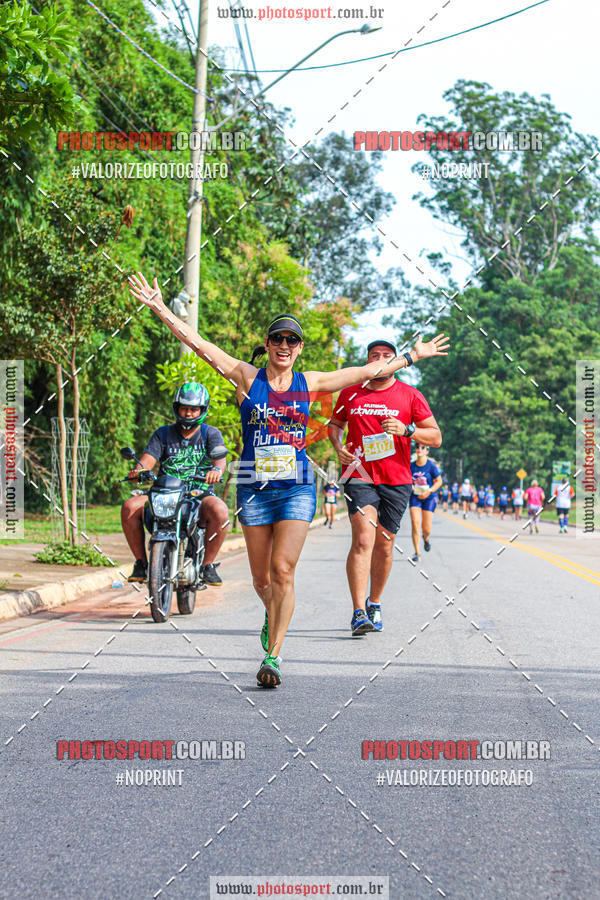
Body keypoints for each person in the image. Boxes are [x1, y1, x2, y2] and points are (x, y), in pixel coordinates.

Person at [130, 272, 449, 686]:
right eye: (277, 339)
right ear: (268, 345)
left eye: (292, 341)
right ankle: (273, 612)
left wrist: (412, 357)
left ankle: (273, 657)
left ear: (299, 349)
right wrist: (159, 307)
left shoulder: (310, 383)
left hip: (297, 487)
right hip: (253, 485)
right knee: (263, 579)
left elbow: (359, 373)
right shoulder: (246, 376)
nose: (284, 346)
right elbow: (199, 344)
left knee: (283, 570)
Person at [327, 338, 444, 636]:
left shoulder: (410, 395)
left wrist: (408, 430)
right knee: (364, 539)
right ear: (367, 361)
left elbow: (436, 437)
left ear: (396, 362)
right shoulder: (350, 392)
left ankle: (374, 603)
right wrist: (338, 446)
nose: (380, 359)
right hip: (359, 474)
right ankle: (357, 613)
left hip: (397, 478)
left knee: (385, 544)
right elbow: (334, 424)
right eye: (374, 355)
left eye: (386, 355)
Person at [122, 382, 229, 586]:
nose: (188, 413)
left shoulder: (210, 433)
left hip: (199, 493)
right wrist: (139, 471)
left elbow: (220, 461)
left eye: (193, 409)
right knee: (129, 506)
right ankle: (141, 563)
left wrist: (216, 471)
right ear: (177, 408)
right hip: (165, 491)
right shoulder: (162, 434)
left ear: (202, 410)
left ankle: (207, 565)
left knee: (221, 512)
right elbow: (148, 460)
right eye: (184, 408)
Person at [409, 444, 442, 561]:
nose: (419, 449)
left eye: (423, 448)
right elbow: (407, 479)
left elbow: (439, 481)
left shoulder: (431, 466)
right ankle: (417, 553)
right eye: (417, 447)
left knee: (426, 529)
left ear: (427, 451)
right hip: (415, 497)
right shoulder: (411, 466)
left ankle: (426, 538)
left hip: (429, 497)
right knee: (415, 523)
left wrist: (429, 491)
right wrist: (411, 487)